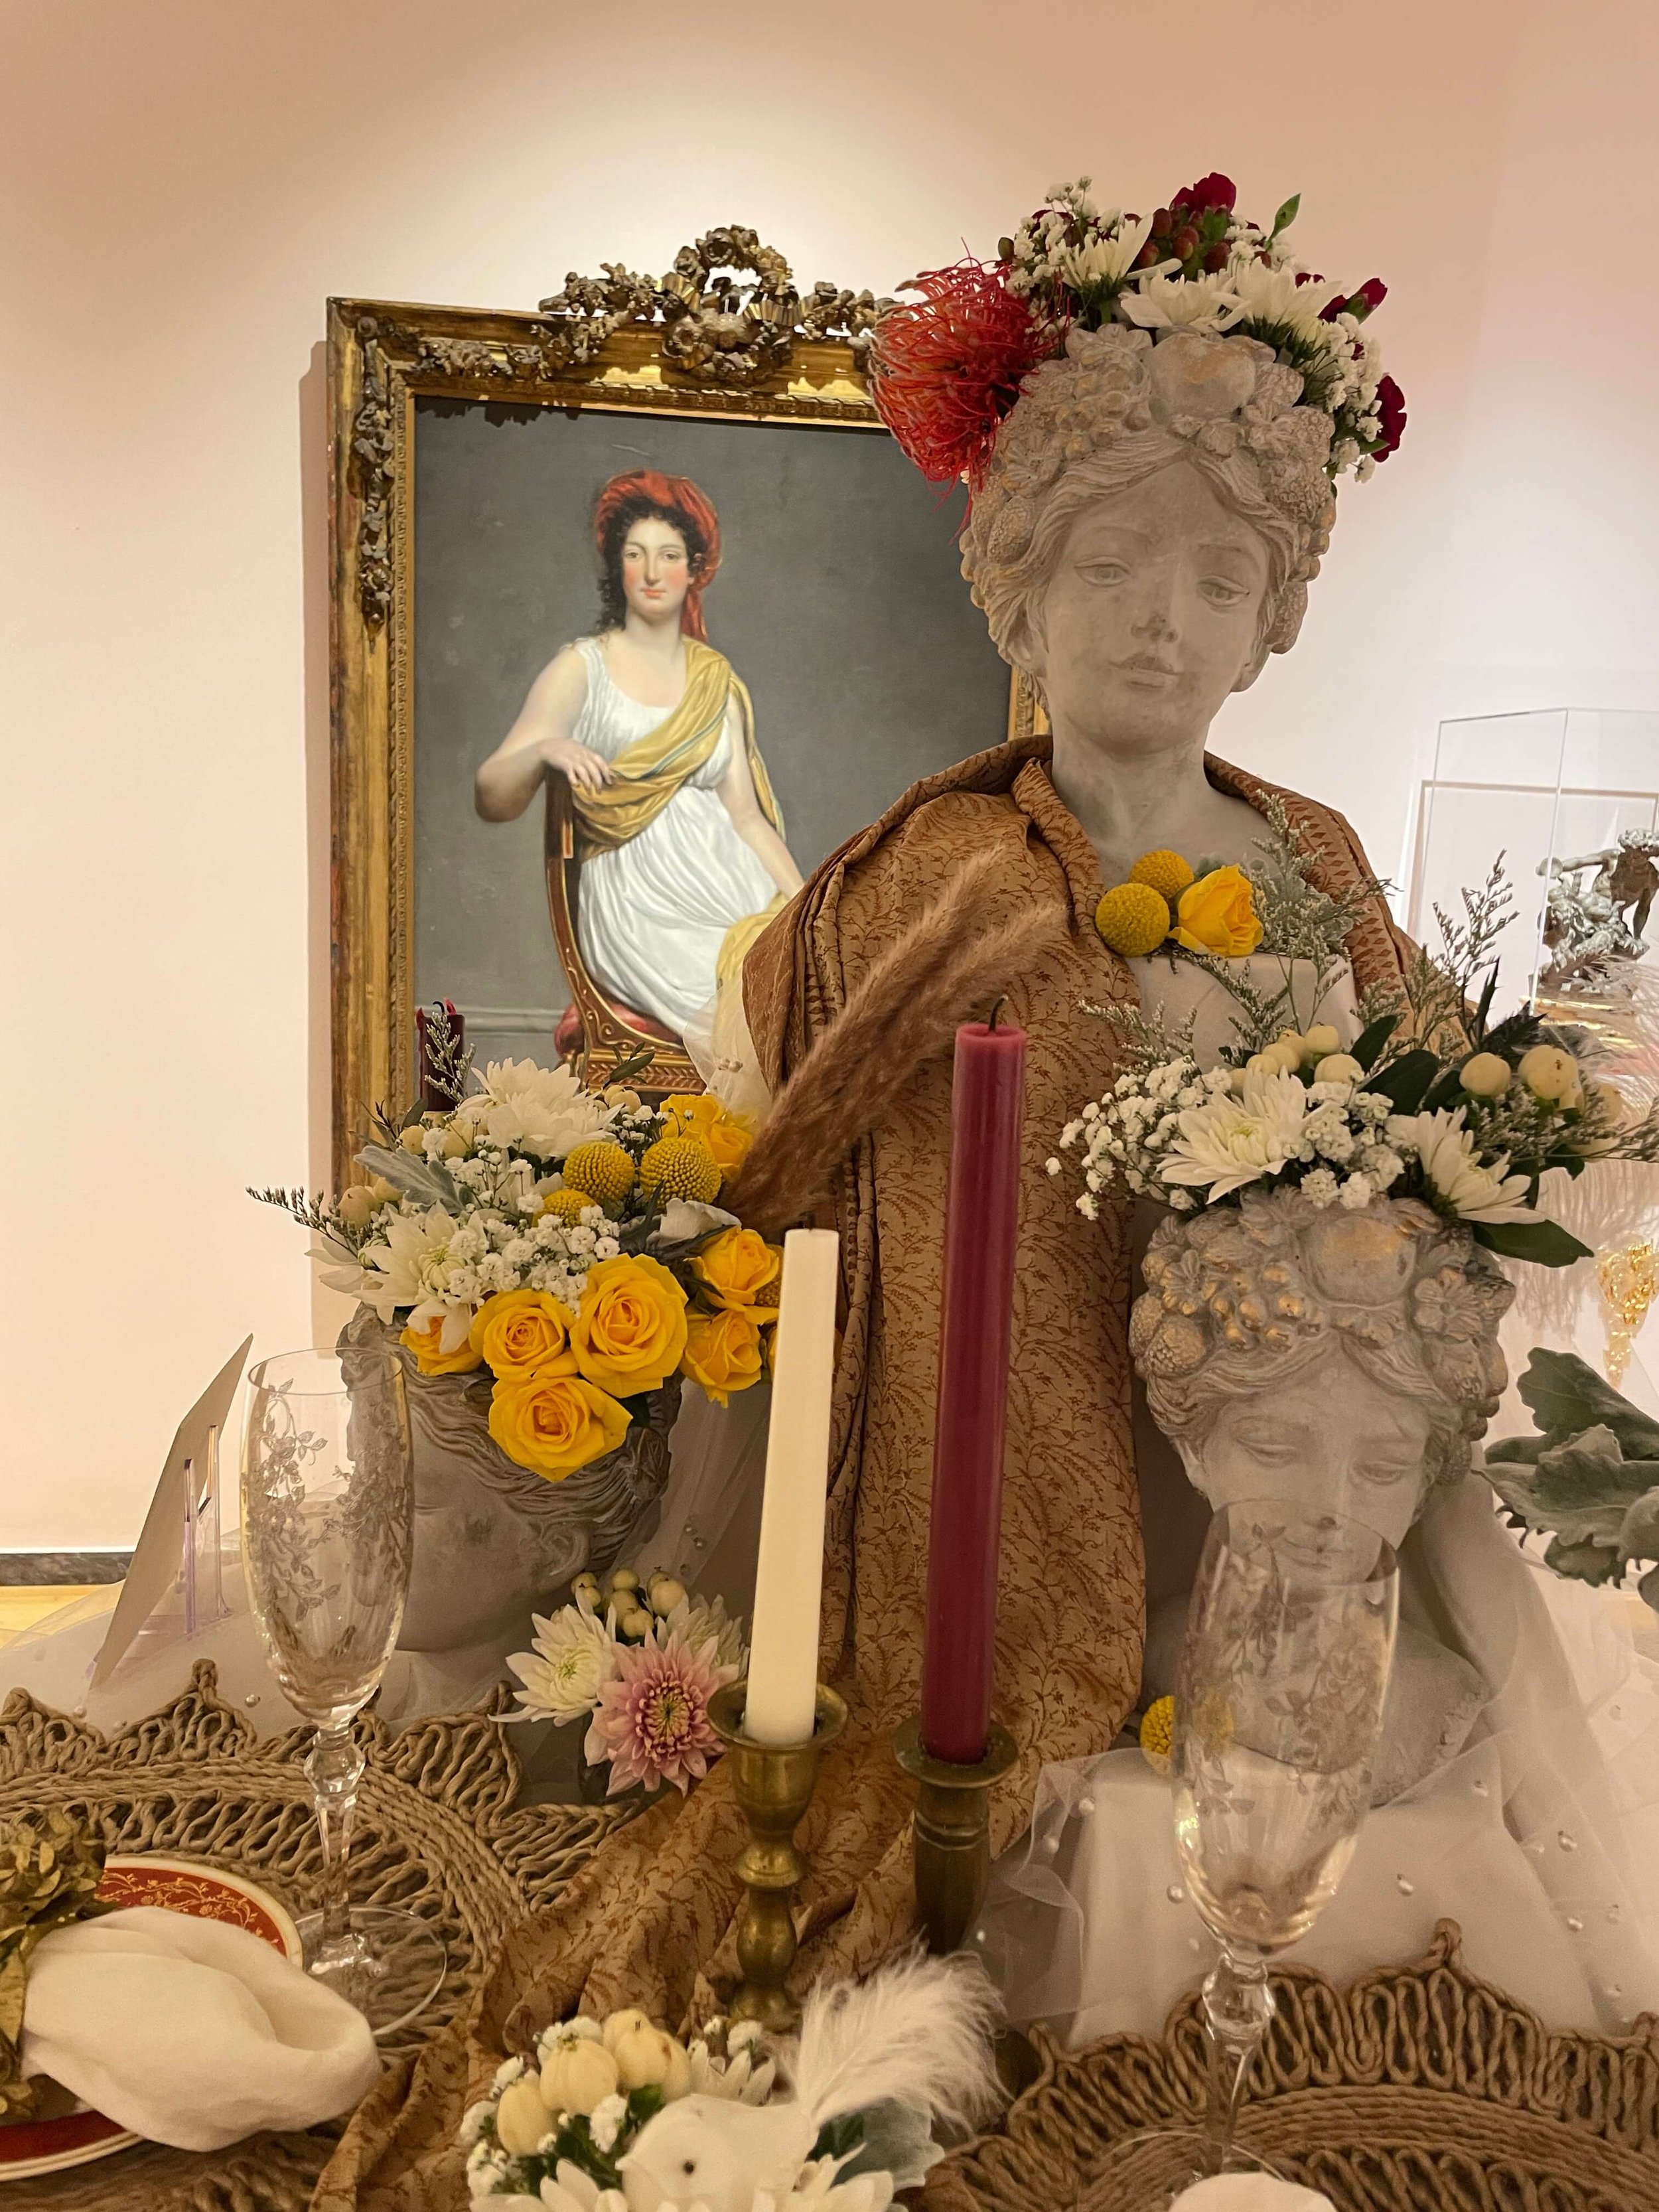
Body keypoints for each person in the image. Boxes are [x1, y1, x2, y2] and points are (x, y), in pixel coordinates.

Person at [312, 178, 1424, 2207]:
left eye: (1212, 568)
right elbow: (782, 1184)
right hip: (962, 1525)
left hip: (1248, 1525)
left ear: (1275, 606)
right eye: (1106, 558)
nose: (1159, 613)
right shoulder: (906, 895)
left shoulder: (1318, 877)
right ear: (1011, 585)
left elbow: (1418, 1166)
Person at [475, 469, 802, 1035]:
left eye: (670, 555)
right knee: (757, 1022)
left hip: (737, 900)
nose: (653, 573)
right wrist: (544, 748)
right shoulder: (583, 668)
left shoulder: (715, 681)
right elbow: (492, 795)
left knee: (809, 989)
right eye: (636, 554)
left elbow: (746, 817)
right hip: (644, 915)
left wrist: (803, 904)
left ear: (694, 569)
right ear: (617, 566)